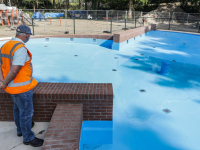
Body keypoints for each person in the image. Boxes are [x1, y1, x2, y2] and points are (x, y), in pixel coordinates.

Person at [0, 25, 44, 147]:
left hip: (11, 87)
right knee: (26, 112)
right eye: (29, 36)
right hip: (21, 88)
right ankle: (28, 138)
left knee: (17, 108)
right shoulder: (20, 49)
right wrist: (3, 83)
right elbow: (14, 70)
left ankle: (20, 130)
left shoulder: (5, 45)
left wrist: (3, 81)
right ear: (27, 35)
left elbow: (0, 65)